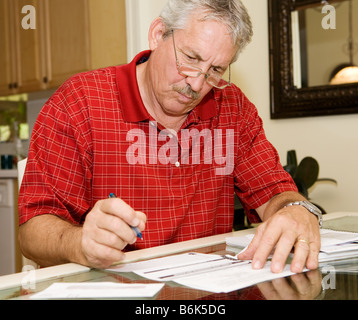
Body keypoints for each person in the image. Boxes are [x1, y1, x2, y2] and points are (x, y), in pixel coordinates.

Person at [18, 0, 321, 273]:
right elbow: (31, 232)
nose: (197, 83)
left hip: (204, 295)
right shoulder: (79, 102)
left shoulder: (232, 107)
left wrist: (295, 210)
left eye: (215, 69)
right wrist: (80, 242)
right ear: (158, 34)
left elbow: (275, 194)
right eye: (190, 58)